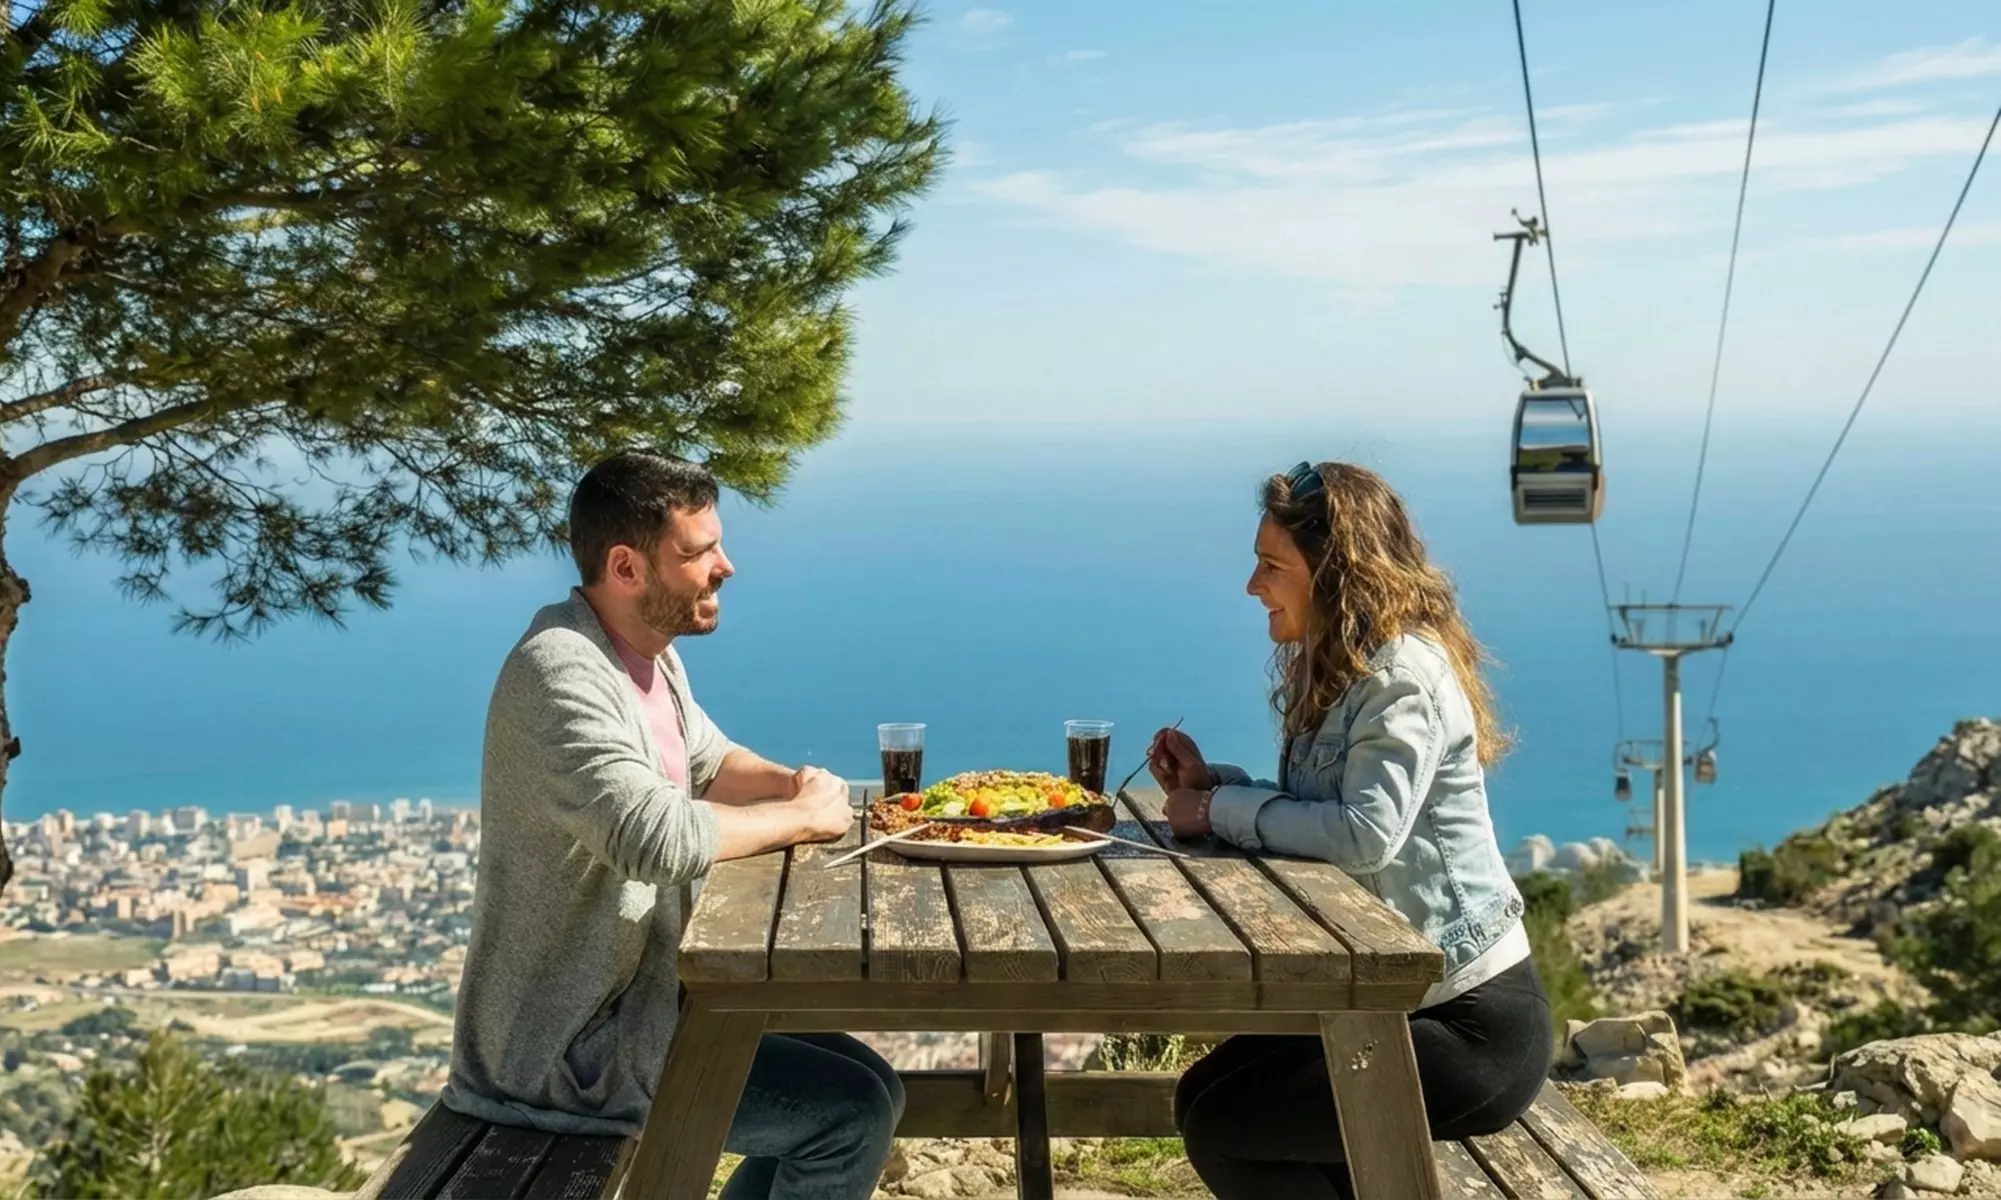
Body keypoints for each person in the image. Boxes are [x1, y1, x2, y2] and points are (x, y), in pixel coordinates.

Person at [441, 449, 904, 1199]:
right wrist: (799, 819)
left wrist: (796, 784)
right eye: (698, 552)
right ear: (626, 567)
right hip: (568, 1051)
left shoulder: (646, 657)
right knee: (846, 1115)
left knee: (873, 1084)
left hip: (652, 1007)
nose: (727, 566)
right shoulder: (559, 671)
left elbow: (710, 760)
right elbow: (654, 838)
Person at [1146, 460, 1550, 1200]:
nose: (1251, 585)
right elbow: (1321, 808)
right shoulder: (1345, 666)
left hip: (1467, 1024)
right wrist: (1217, 788)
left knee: (1225, 1124)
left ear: (1333, 574)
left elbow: (1365, 833)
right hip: (1394, 1002)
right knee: (1202, 1099)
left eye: (1271, 566)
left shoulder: (1401, 674)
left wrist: (1211, 814)